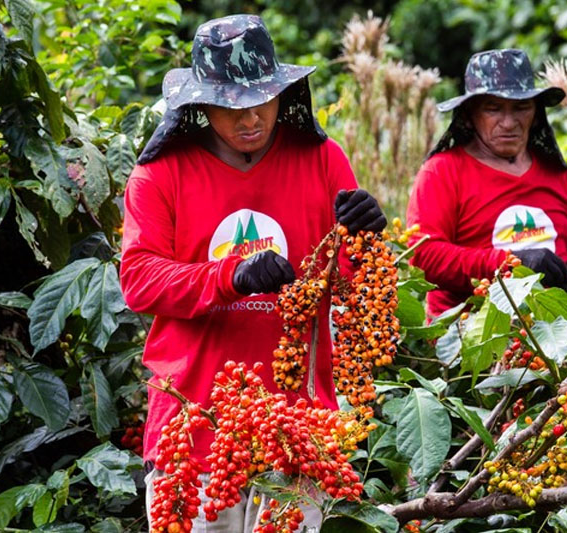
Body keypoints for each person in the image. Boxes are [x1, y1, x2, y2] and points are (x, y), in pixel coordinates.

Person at [119, 15, 386, 532]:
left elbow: (353, 284)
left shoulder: (323, 159)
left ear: (282, 92)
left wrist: (367, 237)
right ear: (200, 105)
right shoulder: (159, 174)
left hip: (299, 431)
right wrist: (231, 276)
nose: (250, 119)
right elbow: (139, 280)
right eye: (230, 107)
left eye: (261, 100)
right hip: (193, 434)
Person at [406, 48, 567, 316]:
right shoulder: (442, 172)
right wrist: (512, 263)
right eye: (493, 109)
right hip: (468, 340)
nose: (509, 122)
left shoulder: (557, 175)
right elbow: (424, 256)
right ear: (469, 114)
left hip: (555, 336)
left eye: (521, 108)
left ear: (535, 112)